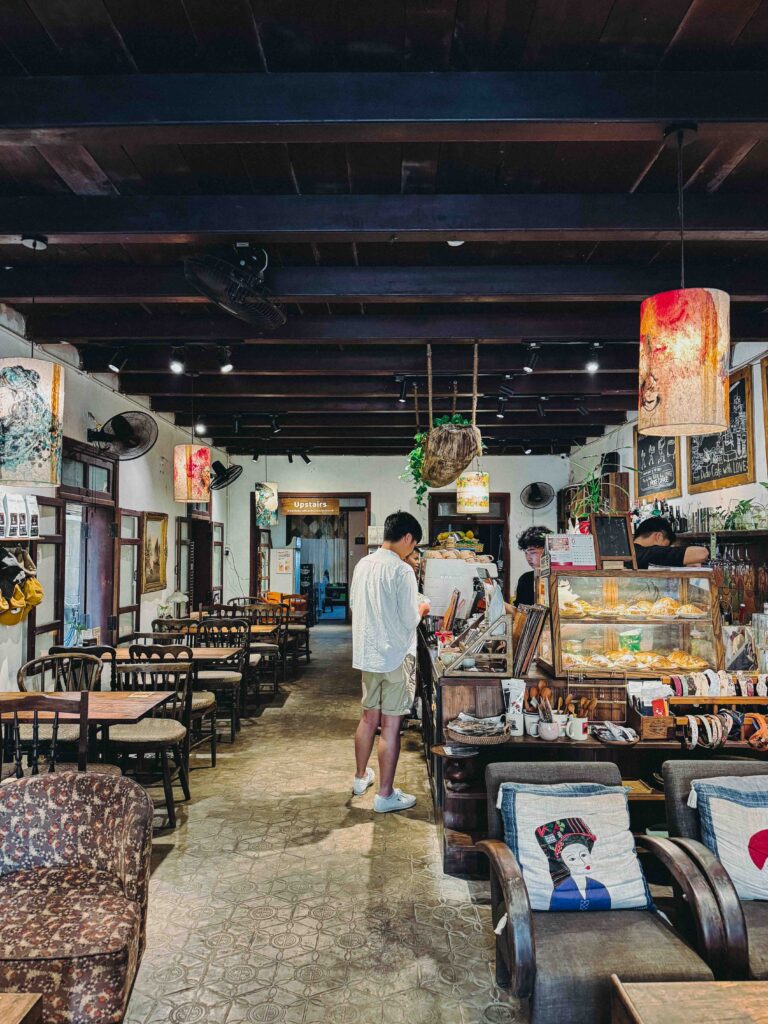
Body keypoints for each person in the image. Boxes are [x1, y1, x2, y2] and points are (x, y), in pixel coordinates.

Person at [350, 510, 430, 813]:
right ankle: (385, 795)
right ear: (407, 537)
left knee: (368, 718)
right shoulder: (401, 570)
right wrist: (423, 607)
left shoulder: (363, 564)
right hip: (396, 656)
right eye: (414, 544)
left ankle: (361, 777)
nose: (412, 551)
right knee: (391, 726)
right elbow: (410, 619)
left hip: (368, 655)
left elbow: (355, 605)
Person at [632, 517, 708, 569]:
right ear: (658, 536)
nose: (666, 549)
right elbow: (702, 553)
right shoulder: (651, 553)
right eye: (666, 547)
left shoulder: (629, 552)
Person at [513, 526, 553, 606]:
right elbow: (520, 610)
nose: (528, 558)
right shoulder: (525, 579)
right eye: (526, 553)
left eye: (532, 552)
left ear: (547, 550)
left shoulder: (558, 577)